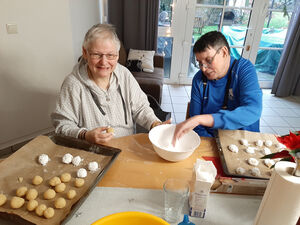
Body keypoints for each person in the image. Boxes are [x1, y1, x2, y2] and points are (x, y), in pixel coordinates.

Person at [51, 23, 169, 144]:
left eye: (110, 55)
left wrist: (155, 124)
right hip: (92, 151)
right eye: (97, 54)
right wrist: (84, 135)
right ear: (85, 52)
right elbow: (62, 124)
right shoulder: (72, 84)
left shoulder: (124, 74)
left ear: (117, 55)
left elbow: (140, 107)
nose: (104, 62)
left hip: (127, 146)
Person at [172, 31, 262, 144]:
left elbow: (252, 111)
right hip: (211, 140)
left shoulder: (244, 69)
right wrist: (213, 144)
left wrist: (201, 119)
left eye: (209, 61)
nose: (203, 69)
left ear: (224, 52)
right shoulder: (199, 80)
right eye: (200, 63)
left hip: (243, 142)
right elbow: (197, 126)